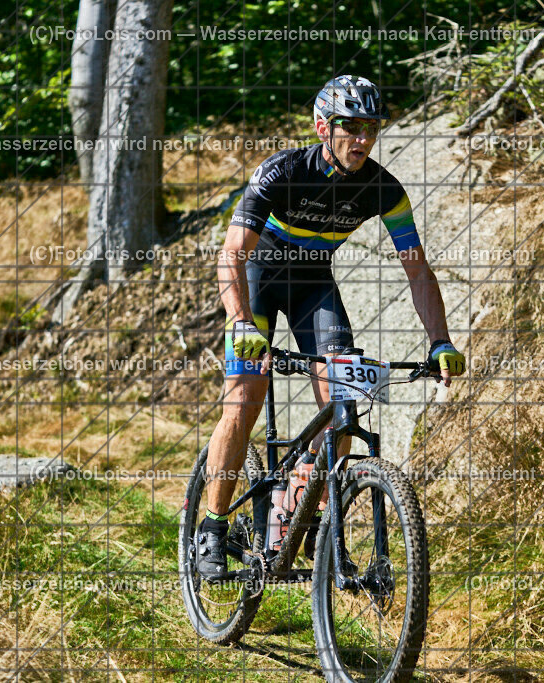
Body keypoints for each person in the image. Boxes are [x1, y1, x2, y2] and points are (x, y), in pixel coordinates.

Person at [195, 75, 466, 579]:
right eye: (350, 127)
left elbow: (417, 269)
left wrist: (440, 340)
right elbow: (233, 253)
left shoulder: (383, 188)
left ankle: (303, 514)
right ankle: (211, 525)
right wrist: (239, 321)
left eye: (371, 128)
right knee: (245, 397)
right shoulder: (281, 171)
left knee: (341, 399)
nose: (362, 138)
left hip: (312, 286)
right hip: (258, 279)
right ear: (324, 127)